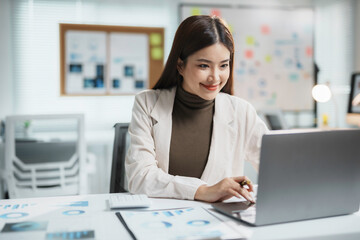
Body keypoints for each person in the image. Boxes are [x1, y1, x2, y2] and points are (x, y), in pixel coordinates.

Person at [125, 15, 269, 203]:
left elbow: (276, 169)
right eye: (204, 65)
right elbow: (139, 177)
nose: (215, 77)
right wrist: (202, 191)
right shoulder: (147, 103)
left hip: (224, 225)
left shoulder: (242, 112)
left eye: (224, 65)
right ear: (180, 65)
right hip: (162, 223)